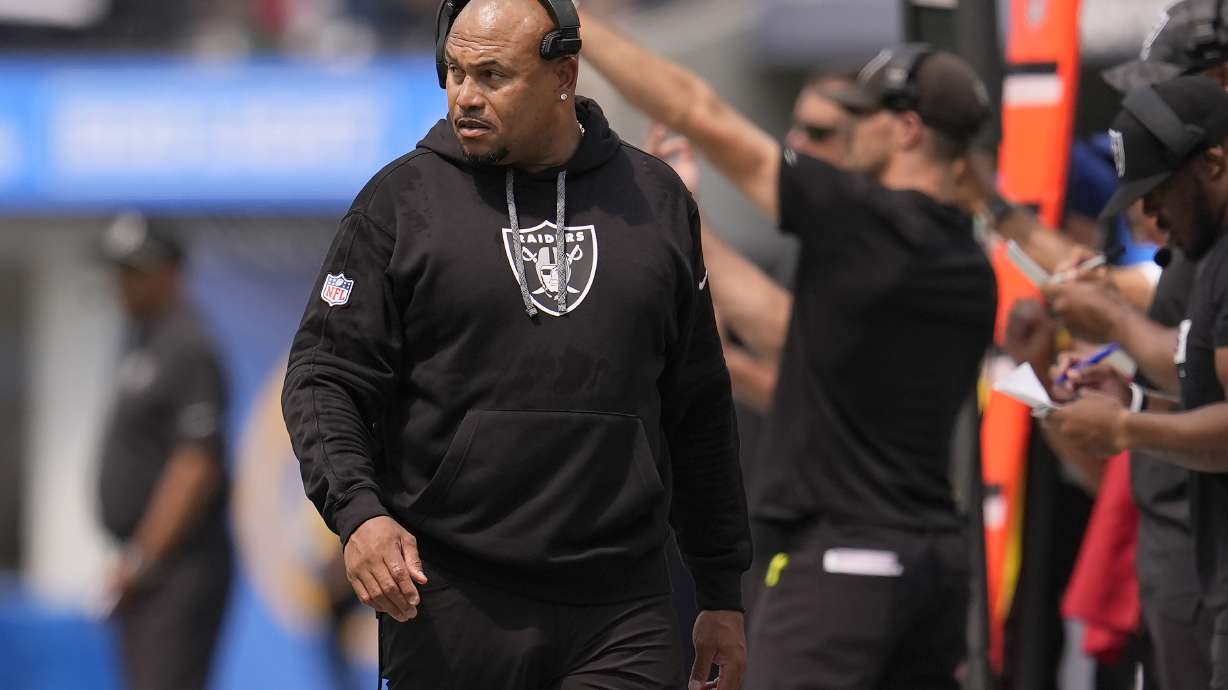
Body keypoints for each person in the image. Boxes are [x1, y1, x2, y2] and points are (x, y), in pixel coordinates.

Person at [280, 1, 751, 689]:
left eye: (492, 75)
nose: (464, 97)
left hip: (623, 605)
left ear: (564, 73)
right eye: (454, 72)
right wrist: (361, 514)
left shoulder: (656, 199)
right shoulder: (400, 203)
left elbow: (698, 407)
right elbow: (324, 378)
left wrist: (721, 592)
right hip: (451, 600)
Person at [580, 14, 998, 687]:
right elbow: (778, 324)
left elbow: (700, 111)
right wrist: (690, 219)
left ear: (909, 130)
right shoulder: (966, 260)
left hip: (844, 565)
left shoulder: (871, 221)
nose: (851, 134)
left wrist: (575, 21)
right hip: (931, 565)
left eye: (860, 119)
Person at [1044, 75, 1228, 687]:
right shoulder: (1209, 258)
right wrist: (1132, 395)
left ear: (1213, 163)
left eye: (1159, 193)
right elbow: (1205, 387)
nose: (1151, 218)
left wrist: (1124, 426)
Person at [95, 214, 233, 690]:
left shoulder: (188, 344)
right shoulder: (144, 338)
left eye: (134, 270)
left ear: (169, 270)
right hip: (150, 565)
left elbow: (195, 464)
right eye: (119, 269)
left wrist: (142, 558)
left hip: (178, 565)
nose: (122, 282)